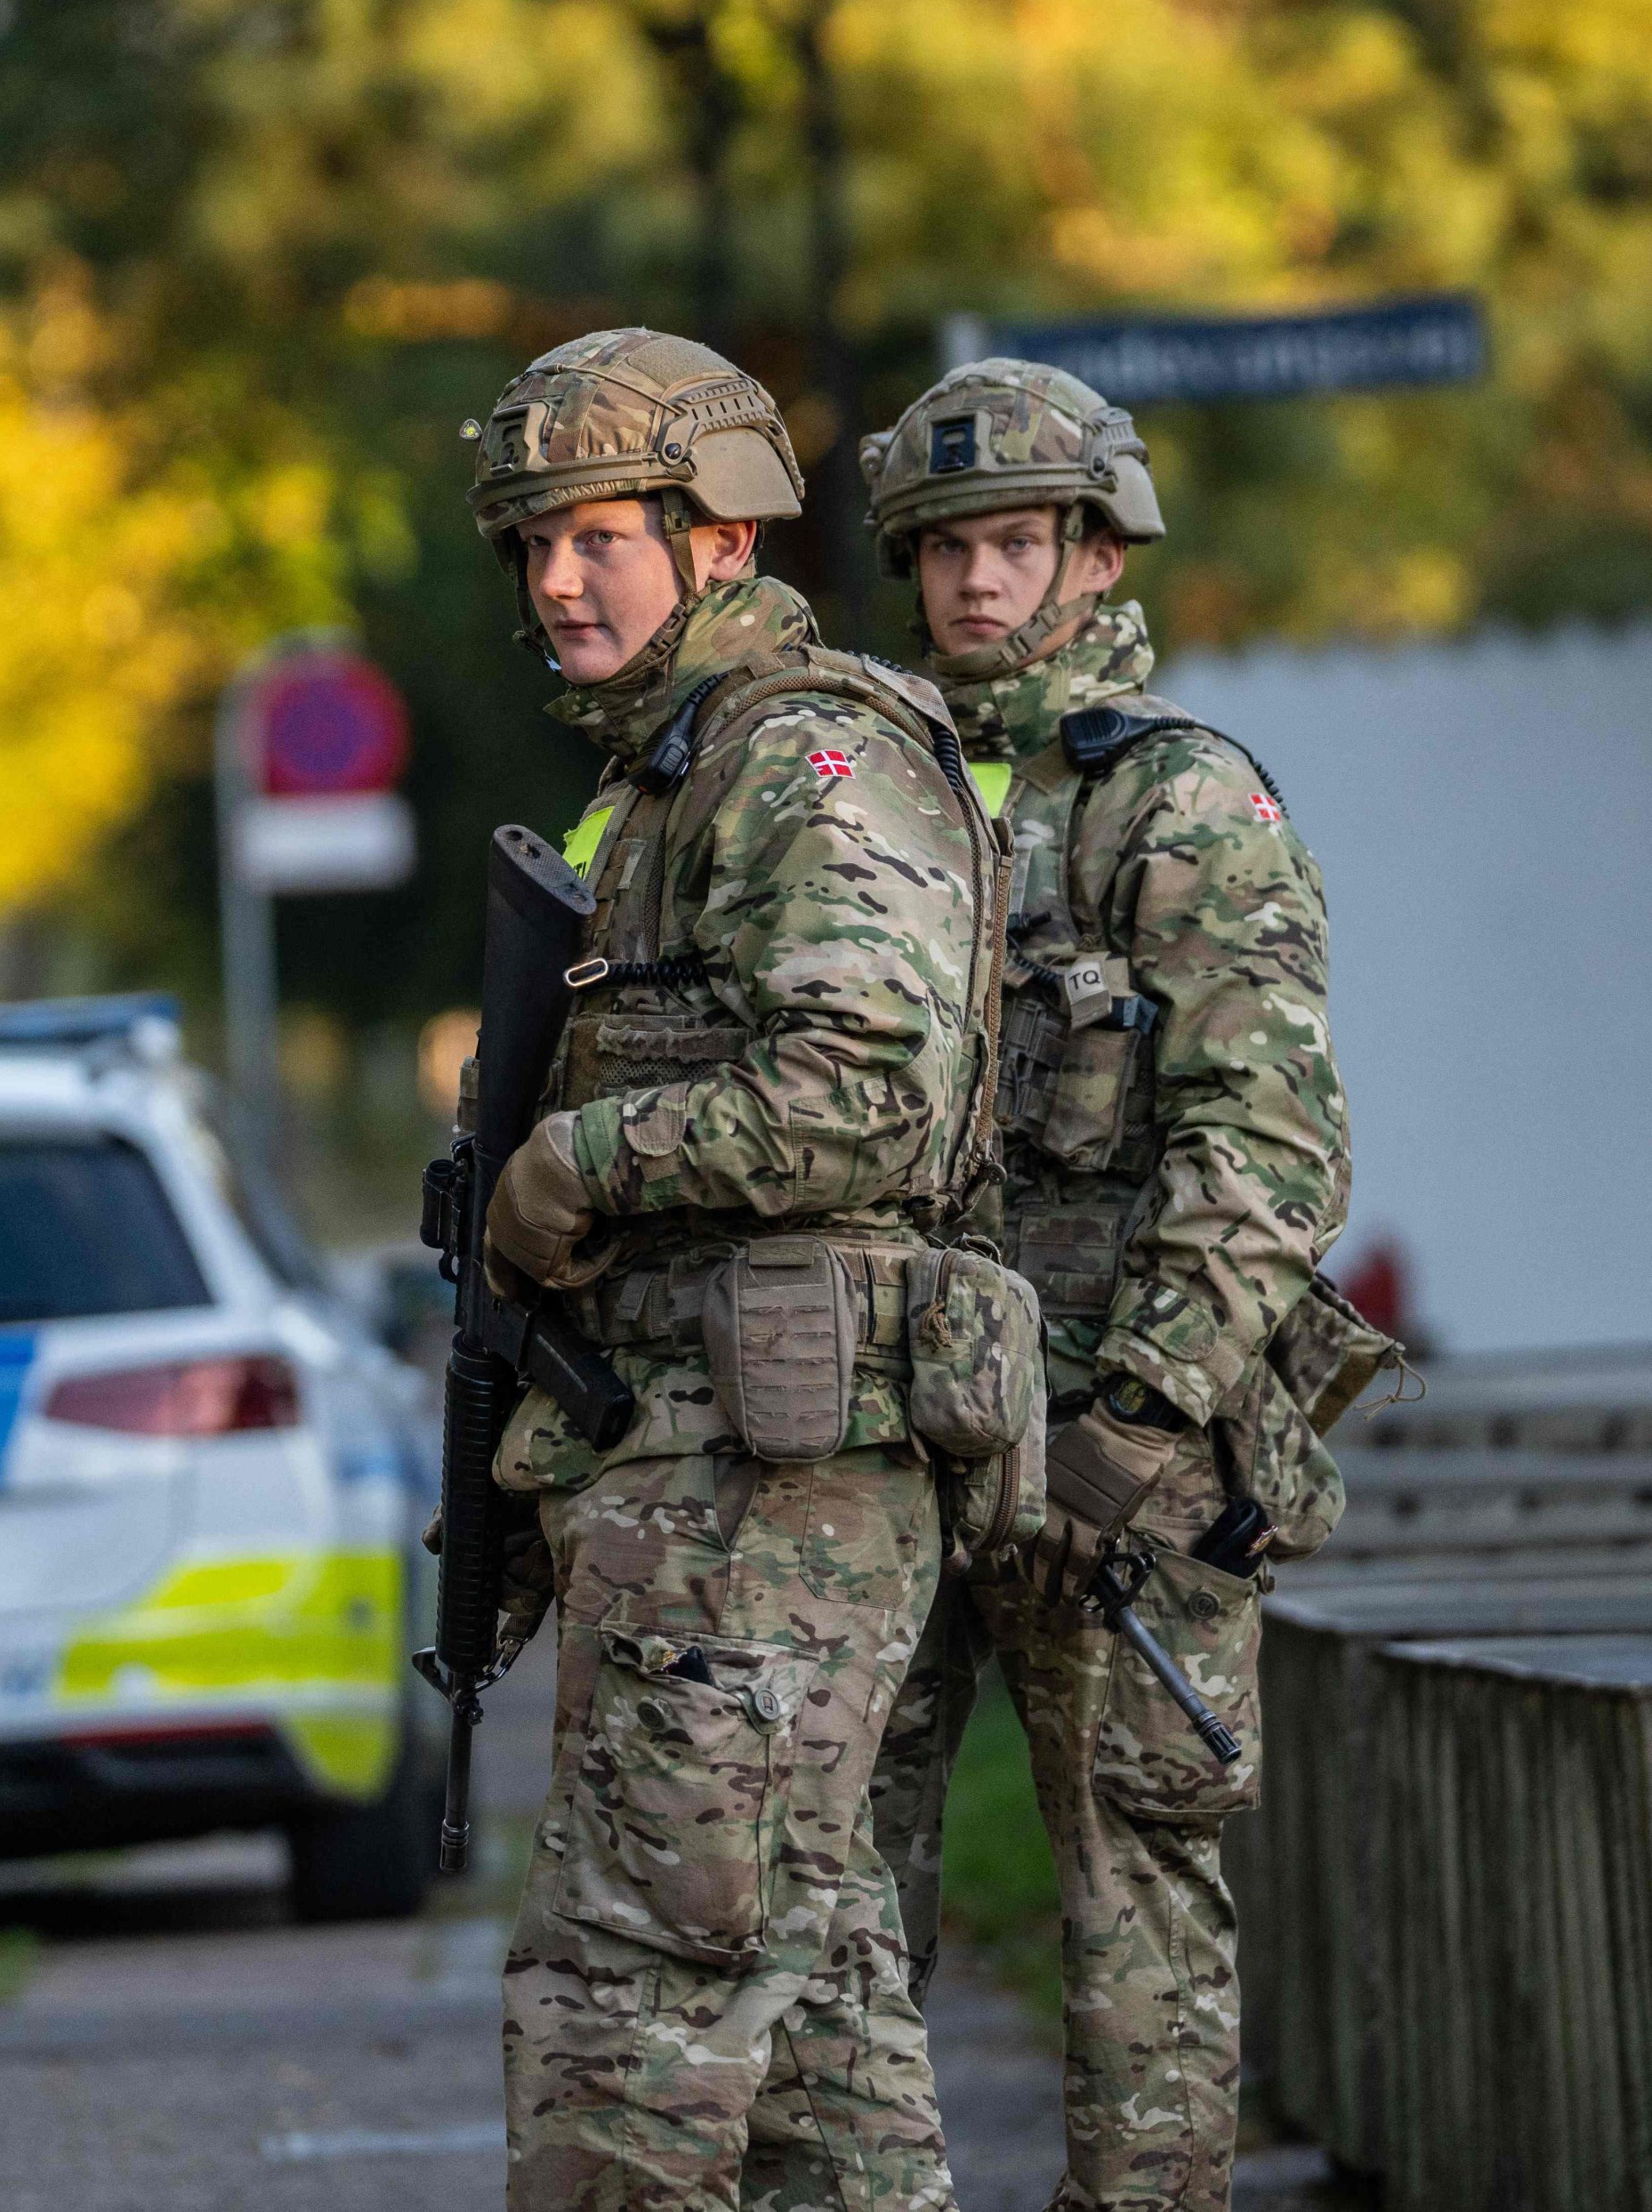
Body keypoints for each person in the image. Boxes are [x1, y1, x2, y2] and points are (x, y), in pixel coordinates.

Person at [464, 329, 1017, 2210]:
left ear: (717, 538)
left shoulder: (806, 757)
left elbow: (867, 1085)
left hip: (768, 1500)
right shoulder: (675, 781)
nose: (553, 579)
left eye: (596, 532)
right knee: (817, 2040)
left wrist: (584, 1157)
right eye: (528, 542)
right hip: (703, 1487)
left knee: (625, 2007)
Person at [856, 363, 1361, 2212]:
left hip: (1119, 1466)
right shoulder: (861, 801)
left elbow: (1268, 1151)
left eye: (1010, 544)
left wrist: (1134, 1422)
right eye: (941, 551)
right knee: (828, 1901)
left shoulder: (1180, 803)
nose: (975, 586)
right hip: (888, 1444)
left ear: (1088, 550)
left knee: (1140, 1926)